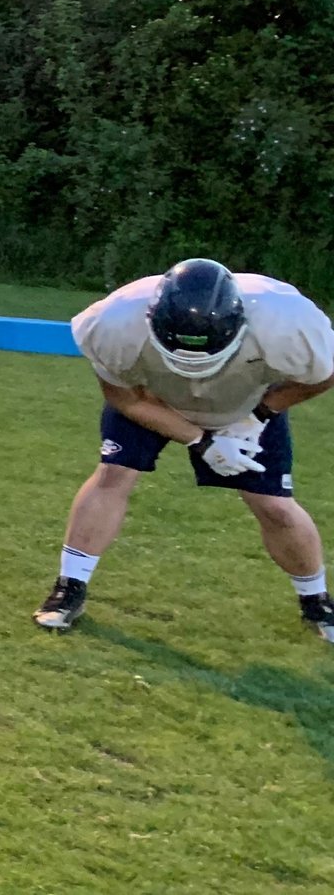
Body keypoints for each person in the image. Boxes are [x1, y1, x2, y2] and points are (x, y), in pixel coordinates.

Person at [35, 259, 334, 643]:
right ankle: (69, 588)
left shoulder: (288, 320)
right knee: (114, 473)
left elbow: (323, 376)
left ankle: (317, 601)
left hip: (247, 403)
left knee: (274, 504)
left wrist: (257, 417)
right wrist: (201, 440)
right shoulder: (112, 321)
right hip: (153, 400)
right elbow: (124, 399)